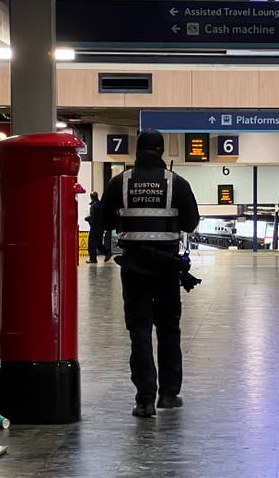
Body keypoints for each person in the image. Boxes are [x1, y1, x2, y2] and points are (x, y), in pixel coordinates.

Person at [100, 130, 200, 418]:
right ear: (161, 151)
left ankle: (144, 399)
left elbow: (105, 220)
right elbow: (191, 223)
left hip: (133, 267)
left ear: (137, 151)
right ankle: (169, 395)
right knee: (169, 329)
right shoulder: (175, 183)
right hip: (166, 267)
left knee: (140, 331)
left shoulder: (121, 182)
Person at [85, 191, 111, 263]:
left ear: (91, 197)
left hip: (95, 228)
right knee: (98, 243)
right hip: (101, 227)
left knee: (91, 243)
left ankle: (93, 259)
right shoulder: (100, 204)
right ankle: (107, 252)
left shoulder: (93, 206)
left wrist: (88, 219)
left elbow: (94, 218)